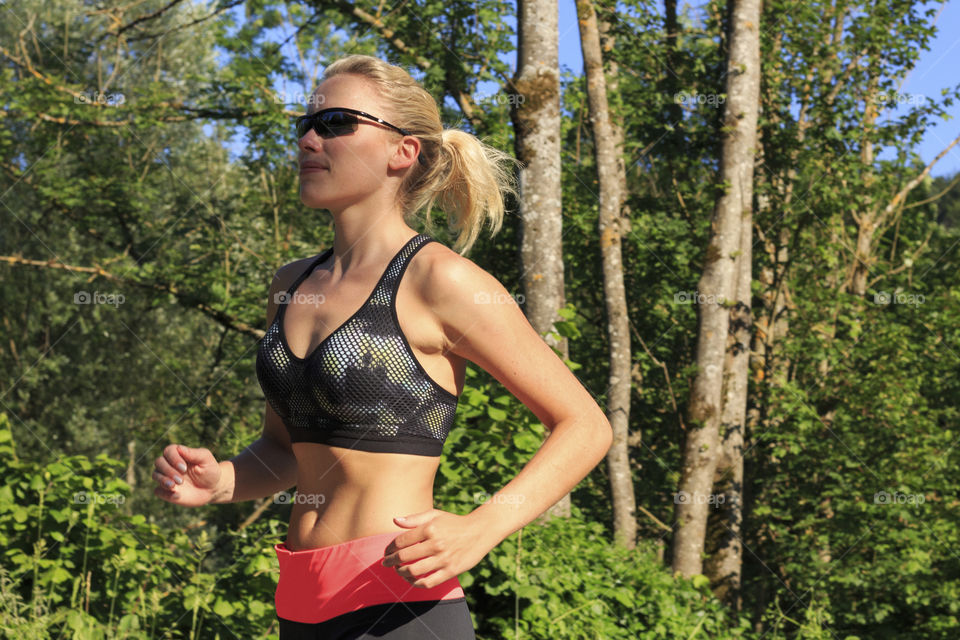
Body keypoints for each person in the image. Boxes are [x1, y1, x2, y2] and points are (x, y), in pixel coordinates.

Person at [153, 54, 613, 639]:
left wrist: (482, 526)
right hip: (300, 607)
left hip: (400, 607)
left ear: (403, 152)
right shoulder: (289, 286)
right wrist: (219, 480)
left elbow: (585, 424)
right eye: (305, 124)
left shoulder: (437, 280)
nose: (310, 138)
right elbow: (285, 449)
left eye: (337, 122)